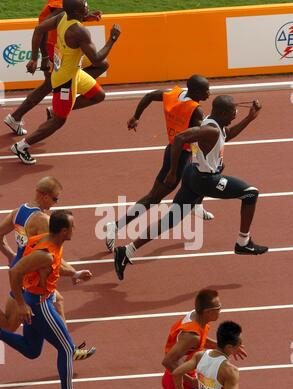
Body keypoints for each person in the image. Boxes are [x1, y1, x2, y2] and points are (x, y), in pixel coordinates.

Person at [114, 96, 268, 280]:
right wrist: (172, 171)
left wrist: (250, 118)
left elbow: (227, 133)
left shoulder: (213, 122)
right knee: (251, 193)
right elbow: (179, 138)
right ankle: (243, 242)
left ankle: (127, 251)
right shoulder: (210, 130)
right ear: (223, 113)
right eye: (233, 112)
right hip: (206, 180)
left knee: (171, 219)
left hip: (192, 173)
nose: (236, 114)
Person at [99, 289, 246, 389]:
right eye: (218, 308)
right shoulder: (191, 336)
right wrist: (191, 384)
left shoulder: (196, 317)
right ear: (208, 312)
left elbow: (201, 342)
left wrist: (224, 347)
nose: (221, 310)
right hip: (180, 381)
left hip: (174, 378)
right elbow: (168, 361)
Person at [105, 75, 213, 253]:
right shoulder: (196, 111)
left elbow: (149, 96)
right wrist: (172, 171)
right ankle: (115, 226)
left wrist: (135, 117)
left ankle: (196, 204)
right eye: (205, 90)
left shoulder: (174, 94)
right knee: (153, 198)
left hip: (184, 152)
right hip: (177, 156)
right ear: (195, 92)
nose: (209, 93)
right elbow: (203, 135)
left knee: (207, 171)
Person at [0, 210, 95, 389]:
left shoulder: (46, 241)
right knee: (67, 348)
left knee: (31, 349)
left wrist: (74, 273)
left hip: (34, 298)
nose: (74, 229)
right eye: (72, 226)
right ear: (62, 231)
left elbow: (54, 265)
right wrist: (20, 303)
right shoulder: (46, 255)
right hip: (39, 304)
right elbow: (15, 271)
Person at [10, 0, 121, 164]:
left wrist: (34, 58)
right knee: (59, 121)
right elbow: (96, 59)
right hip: (65, 82)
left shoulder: (63, 16)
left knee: (98, 95)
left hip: (72, 72)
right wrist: (112, 39)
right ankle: (21, 146)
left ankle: (53, 109)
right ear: (76, 12)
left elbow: (39, 29)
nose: (87, 6)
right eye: (84, 6)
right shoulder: (79, 32)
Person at [0, 176, 94, 360]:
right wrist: (74, 272)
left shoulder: (18, 212)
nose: (55, 203)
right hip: (29, 279)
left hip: (22, 274)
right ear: (43, 195)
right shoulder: (42, 220)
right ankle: (70, 349)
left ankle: (70, 349)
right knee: (56, 301)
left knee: (9, 327)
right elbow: (51, 256)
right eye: (55, 199)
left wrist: (11, 255)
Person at [4, 1, 104, 137]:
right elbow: (42, 27)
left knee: (102, 64)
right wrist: (43, 56)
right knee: (49, 85)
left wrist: (85, 17)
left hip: (60, 45)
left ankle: (65, 96)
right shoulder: (59, 4)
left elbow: (68, 16)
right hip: (53, 47)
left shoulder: (68, 4)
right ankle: (16, 116)